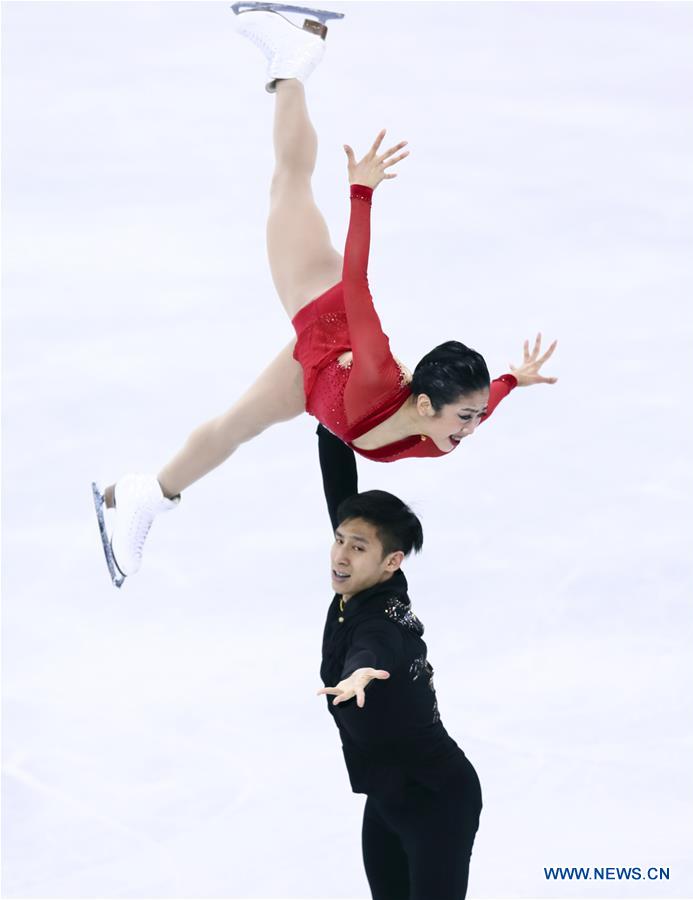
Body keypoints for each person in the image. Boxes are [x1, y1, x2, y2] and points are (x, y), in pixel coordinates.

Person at [92, 2, 558, 587]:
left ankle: (147, 492)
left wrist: (516, 379)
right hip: (323, 303)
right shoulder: (376, 374)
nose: (472, 427)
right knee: (289, 179)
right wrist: (361, 195)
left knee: (236, 426)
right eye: (467, 417)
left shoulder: (445, 426)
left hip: (315, 382)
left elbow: (489, 393)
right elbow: (357, 285)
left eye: (475, 415)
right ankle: (291, 65)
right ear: (424, 404)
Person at [315, 422, 482, 899]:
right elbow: (341, 492)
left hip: (438, 800)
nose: (341, 554)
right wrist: (330, 419)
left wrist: (360, 672)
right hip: (387, 795)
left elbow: (375, 648)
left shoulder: (382, 620)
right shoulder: (365, 572)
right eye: (340, 539)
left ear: (393, 561)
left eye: (357, 546)